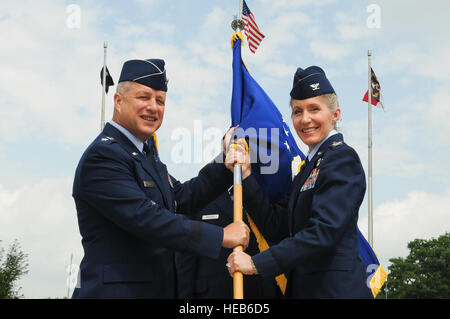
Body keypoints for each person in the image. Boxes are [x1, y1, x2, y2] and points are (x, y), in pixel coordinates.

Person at [72, 58, 249, 299]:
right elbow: (148, 220)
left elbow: (180, 199)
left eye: (160, 101)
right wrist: (221, 236)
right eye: (143, 97)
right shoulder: (104, 156)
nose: (153, 107)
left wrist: (225, 164)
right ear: (118, 101)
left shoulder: (145, 155)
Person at [225, 66, 373, 299]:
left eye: (314, 109)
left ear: (335, 115)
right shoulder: (308, 168)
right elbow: (275, 224)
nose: (305, 119)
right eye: (297, 111)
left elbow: (323, 232)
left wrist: (256, 263)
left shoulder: (342, 158)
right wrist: (245, 173)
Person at [176, 190, 280, 299]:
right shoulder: (197, 193)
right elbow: (186, 255)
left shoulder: (267, 194)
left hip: (261, 292)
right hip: (212, 294)